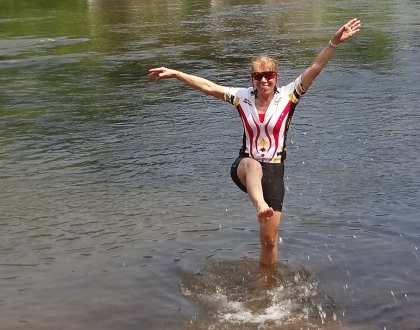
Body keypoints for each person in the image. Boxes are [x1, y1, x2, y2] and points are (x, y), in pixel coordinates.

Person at [148, 18, 362, 266]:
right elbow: (208, 87)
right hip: (245, 166)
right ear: (252, 78)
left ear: (276, 77)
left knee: (269, 240)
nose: (263, 81)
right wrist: (176, 73)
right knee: (253, 166)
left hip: (274, 170)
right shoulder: (242, 97)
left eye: (268, 75)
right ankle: (260, 204)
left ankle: (267, 285)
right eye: (258, 76)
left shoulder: (290, 95)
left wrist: (334, 41)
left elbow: (315, 67)